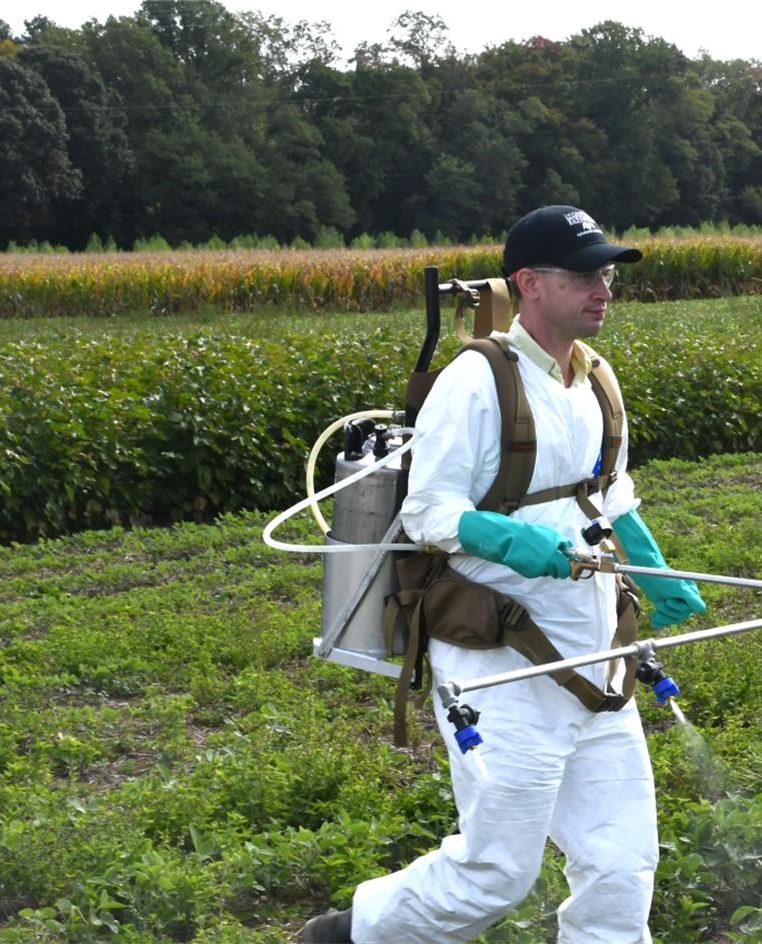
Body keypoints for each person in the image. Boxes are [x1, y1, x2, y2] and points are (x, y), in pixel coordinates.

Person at [301, 206, 706, 943]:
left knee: (621, 868)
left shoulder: (598, 380)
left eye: (608, 274)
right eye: (585, 274)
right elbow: (428, 512)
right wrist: (506, 539)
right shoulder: (478, 379)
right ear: (529, 283)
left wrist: (652, 565)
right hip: (502, 666)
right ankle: (345, 935)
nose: (604, 289)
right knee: (495, 874)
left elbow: (609, 495)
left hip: (597, 656)